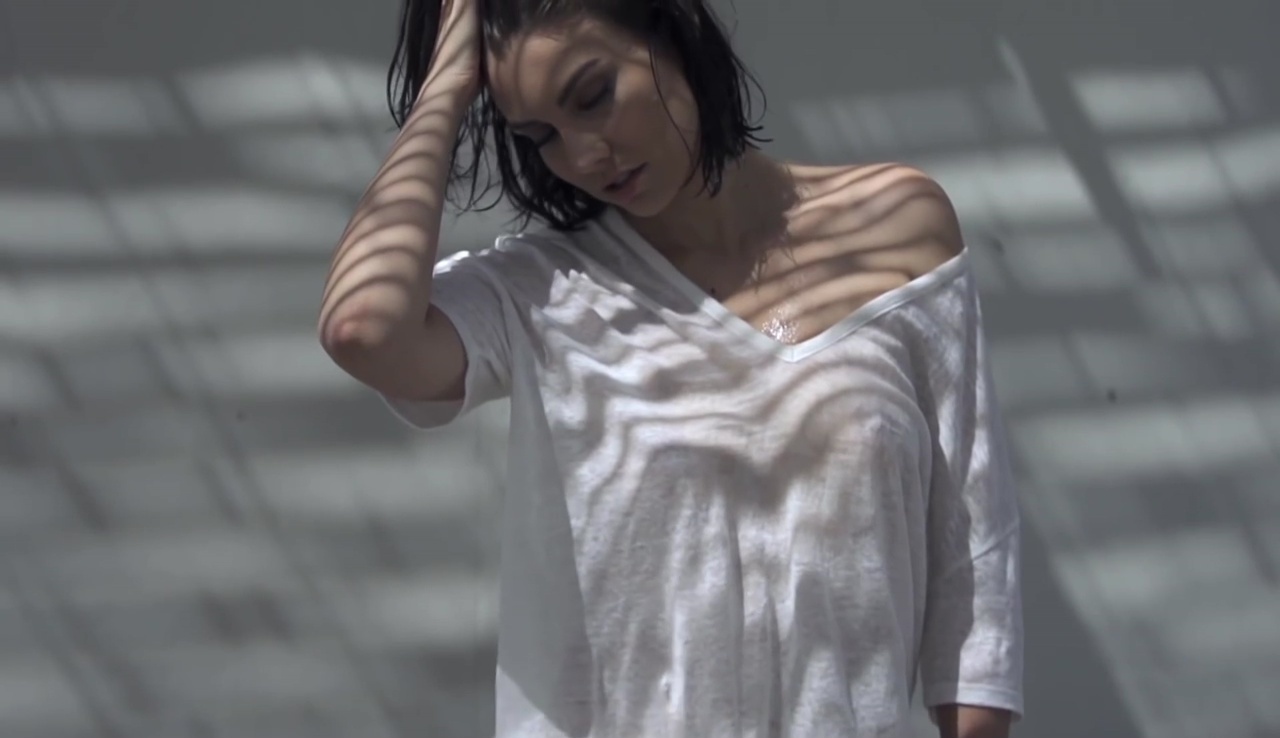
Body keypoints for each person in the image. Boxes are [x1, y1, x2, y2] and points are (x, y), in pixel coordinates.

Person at [319, 0, 1024, 735]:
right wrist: (444, 88)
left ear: (674, 28)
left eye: (592, 95)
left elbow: (973, 559)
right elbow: (362, 330)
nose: (581, 155)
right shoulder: (541, 292)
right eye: (540, 136)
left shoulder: (897, 224)